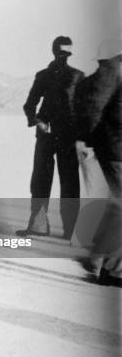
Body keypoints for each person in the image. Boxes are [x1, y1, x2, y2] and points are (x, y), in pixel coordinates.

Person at [17, 36, 84, 239]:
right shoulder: (43, 76)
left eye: (67, 53)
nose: (63, 57)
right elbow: (30, 105)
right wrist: (37, 121)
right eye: (61, 52)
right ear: (54, 51)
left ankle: (71, 231)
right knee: (40, 181)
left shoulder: (77, 76)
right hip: (46, 135)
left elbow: (84, 109)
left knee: (70, 182)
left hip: (68, 137)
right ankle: (39, 226)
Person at [75, 39, 122, 285]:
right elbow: (94, 105)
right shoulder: (113, 68)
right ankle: (112, 271)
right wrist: (83, 139)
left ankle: (96, 260)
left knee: (117, 205)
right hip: (114, 147)